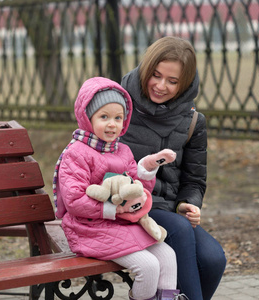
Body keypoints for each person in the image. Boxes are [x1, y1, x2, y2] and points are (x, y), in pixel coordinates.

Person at [53, 76, 186, 300]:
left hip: (121, 225)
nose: (112, 124)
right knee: (148, 266)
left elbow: (136, 188)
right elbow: (75, 201)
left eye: (118, 117)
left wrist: (147, 168)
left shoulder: (122, 150)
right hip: (88, 228)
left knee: (167, 255)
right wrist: (115, 209)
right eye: (104, 117)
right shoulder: (77, 153)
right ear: (87, 117)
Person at [121, 36, 227, 300]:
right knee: (178, 230)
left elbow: (194, 179)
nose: (160, 85)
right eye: (155, 75)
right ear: (146, 68)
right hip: (123, 208)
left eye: (172, 81)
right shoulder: (118, 105)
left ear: (185, 84)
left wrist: (187, 204)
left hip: (168, 210)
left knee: (213, 259)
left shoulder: (192, 121)